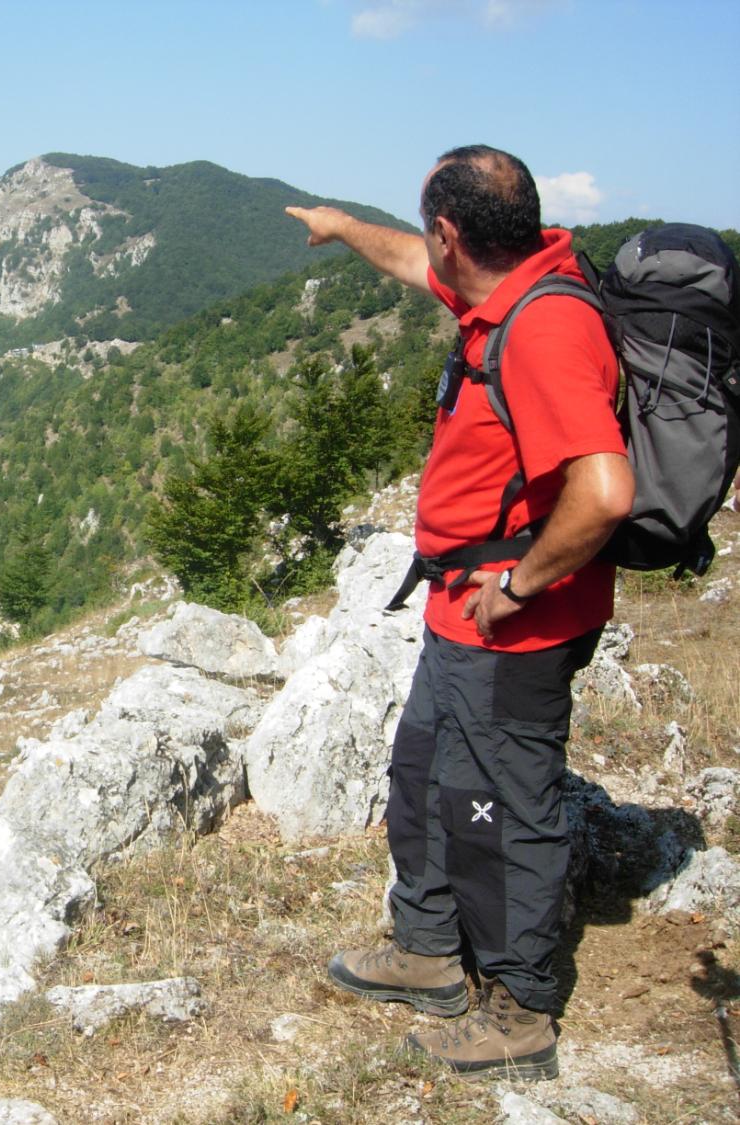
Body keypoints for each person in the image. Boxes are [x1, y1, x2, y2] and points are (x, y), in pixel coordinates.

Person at [285, 145, 634, 1080]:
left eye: (427, 232)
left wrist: (517, 587)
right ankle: (431, 950)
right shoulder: (504, 288)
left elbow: (604, 493)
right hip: (459, 613)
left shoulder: (545, 327)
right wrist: (342, 227)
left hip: (513, 625)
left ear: (454, 234)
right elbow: (410, 261)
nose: (423, 251)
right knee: (425, 775)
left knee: (505, 808)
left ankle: (519, 1009)